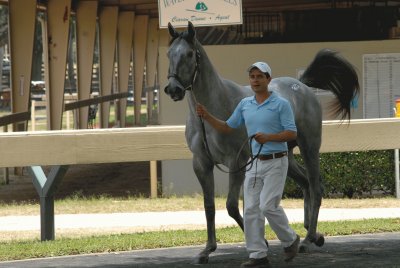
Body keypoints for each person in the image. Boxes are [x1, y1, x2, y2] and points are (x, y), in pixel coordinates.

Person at [196, 62, 300, 268]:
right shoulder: (245, 104)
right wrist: (206, 116)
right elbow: (227, 127)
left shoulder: (281, 104)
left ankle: (290, 240)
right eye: (252, 77)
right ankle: (258, 256)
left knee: (268, 206)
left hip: (277, 161)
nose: (255, 80)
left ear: (268, 79)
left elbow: (292, 133)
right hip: (254, 163)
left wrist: (269, 137)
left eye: (260, 76)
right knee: (251, 209)